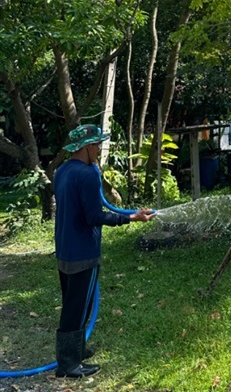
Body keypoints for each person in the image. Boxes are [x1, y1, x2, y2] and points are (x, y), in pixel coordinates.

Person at [54, 124, 155, 378]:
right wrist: (131, 218)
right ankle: (68, 364)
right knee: (78, 307)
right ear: (87, 147)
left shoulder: (62, 170)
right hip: (82, 252)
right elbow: (94, 216)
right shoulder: (87, 174)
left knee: (72, 302)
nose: (99, 148)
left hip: (65, 248)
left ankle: (77, 350)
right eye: (97, 144)